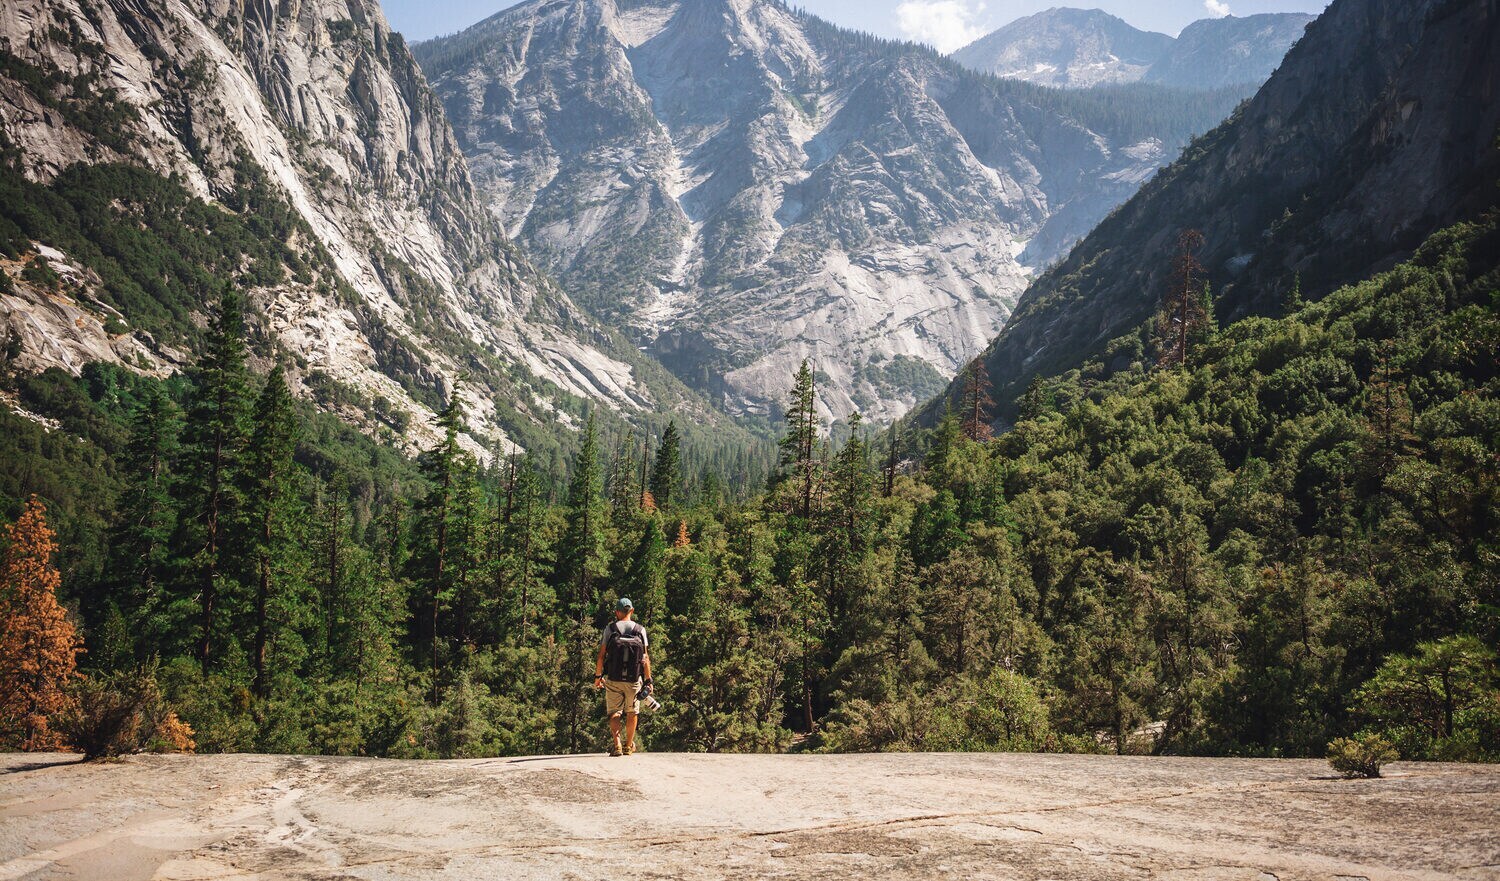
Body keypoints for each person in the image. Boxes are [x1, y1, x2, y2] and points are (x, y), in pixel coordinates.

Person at [594, 597, 653, 756]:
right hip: (634, 679)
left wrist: (598, 677)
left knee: (615, 712)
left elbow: (601, 656)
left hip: (613, 678)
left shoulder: (610, 629)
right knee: (632, 711)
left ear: (617, 612)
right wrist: (648, 680)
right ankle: (628, 746)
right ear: (631, 611)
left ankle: (617, 745)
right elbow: (645, 658)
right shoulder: (640, 630)